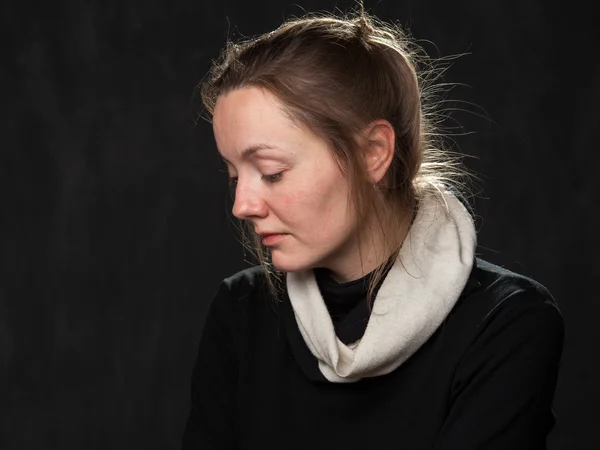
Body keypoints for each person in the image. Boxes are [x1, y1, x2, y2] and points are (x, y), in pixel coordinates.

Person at [182, 6, 564, 450]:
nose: (242, 205)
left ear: (374, 153)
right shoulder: (241, 311)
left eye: (271, 172)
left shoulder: (506, 324)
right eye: (234, 175)